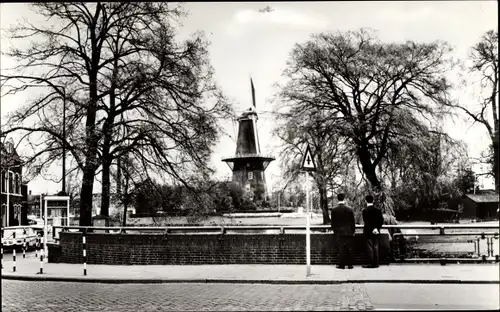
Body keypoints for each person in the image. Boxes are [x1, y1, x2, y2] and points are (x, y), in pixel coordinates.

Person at [330, 193, 355, 269]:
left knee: (341, 249)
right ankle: (350, 265)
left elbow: (333, 223)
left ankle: (342, 265)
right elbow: (352, 222)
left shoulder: (334, 210)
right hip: (348, 232)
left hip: (339, 232)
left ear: (338, 199)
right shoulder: (350, 209)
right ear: (344, 198)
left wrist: (335, 231)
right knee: (349, 249)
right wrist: (352, 231)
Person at [362, 194, 384, 268]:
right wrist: (376, 228)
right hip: (376, 231)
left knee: (370, 248)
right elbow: (381, 221)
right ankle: (376, 263)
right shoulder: (378, 211)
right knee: (376, 247)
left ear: (366, 201)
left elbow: (366, 222)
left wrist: (372, 229)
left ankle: (371, 263)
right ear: (373, 201)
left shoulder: (364, 211)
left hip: (368, 231)